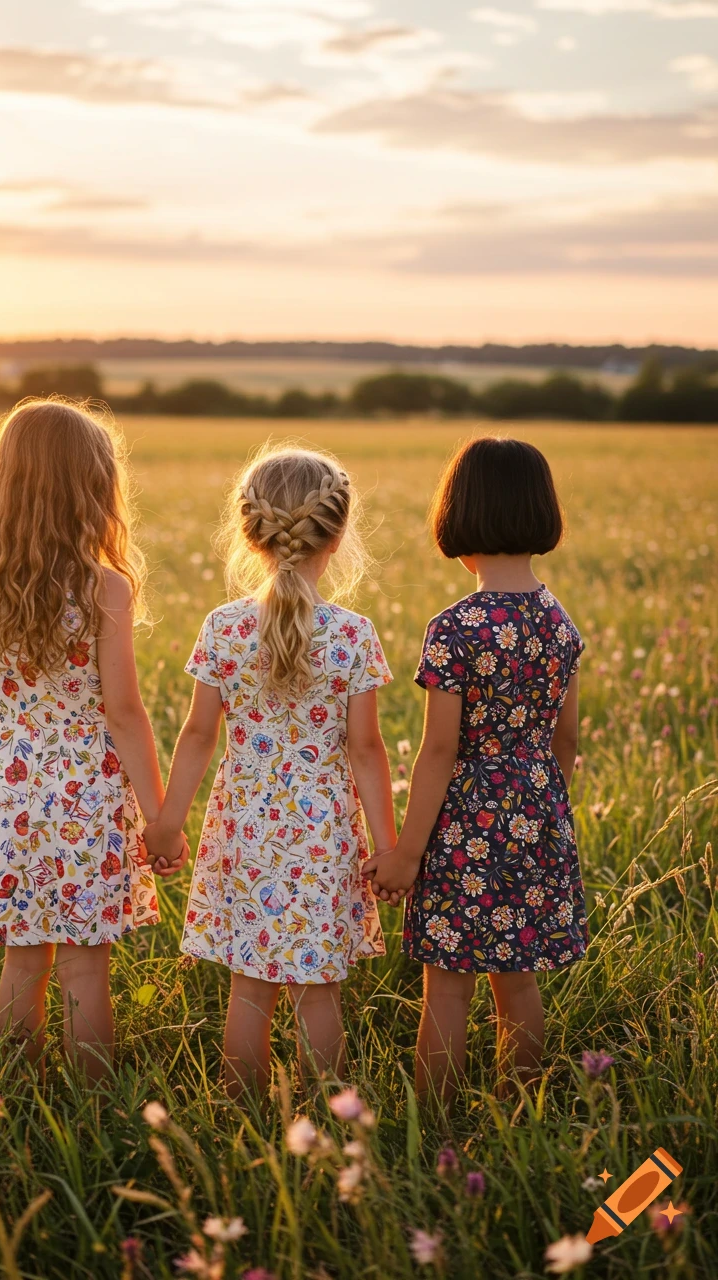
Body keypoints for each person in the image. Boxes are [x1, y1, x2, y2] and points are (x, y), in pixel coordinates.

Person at [0, 398, 183, 1082]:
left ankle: (13, 1092)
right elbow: (124, 712)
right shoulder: (104, 587)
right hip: (86, 796)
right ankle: (96, 1108)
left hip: (9, 788)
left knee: (22, 955)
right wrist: (159, 816)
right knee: (83, 959)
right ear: (91, 487)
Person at [144, 444, 396, 1099]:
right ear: (337, 535)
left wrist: (168, 823)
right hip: (324, 834)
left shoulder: (224, 628)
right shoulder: (352, 633)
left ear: (249, 531)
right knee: (317, 989)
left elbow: (199, 734)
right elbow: (367, 751)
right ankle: (334, 1123)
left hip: (245, 828)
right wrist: (390, 847)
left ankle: (239, 1114)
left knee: (248, 985)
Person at [363, 437, 587, 1104]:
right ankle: (524, 1105)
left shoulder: (455, 627)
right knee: (518, 978)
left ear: (457, 517)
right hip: (537, 809)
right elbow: (566, 740)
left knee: (447, 980)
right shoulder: (559, 623)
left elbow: (438, 751)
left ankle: (435, 1116)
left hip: (464, 820)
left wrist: (406, 852)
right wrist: (543, 815)